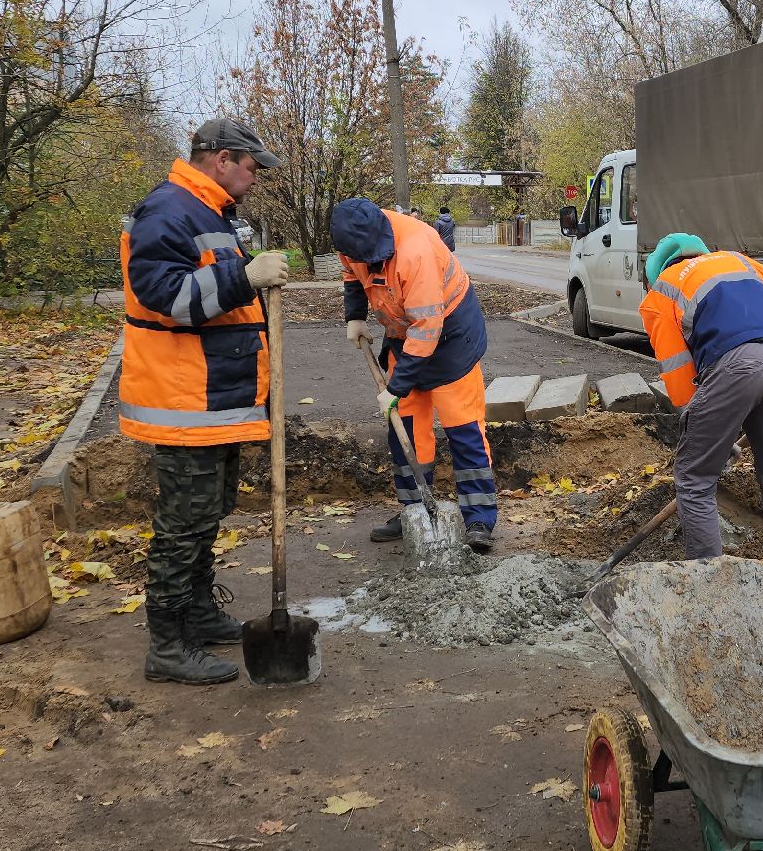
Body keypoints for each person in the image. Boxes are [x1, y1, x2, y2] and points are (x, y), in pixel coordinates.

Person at [119, 118, 292, 685]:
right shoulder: (167, 212)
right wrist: (247, 277)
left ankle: (194, 611)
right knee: (183, 525)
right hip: (185, 402)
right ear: (222, 159)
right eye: (252, 166)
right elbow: (168, 300)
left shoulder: (211, 212)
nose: (256, 178)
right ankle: (167, 644)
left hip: (217, 401)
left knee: (206, 516)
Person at [641, 234, 763, 567]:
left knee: (694, 479)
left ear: (656, 271)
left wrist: (704, 433)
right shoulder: (738, 261)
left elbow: (679, 374)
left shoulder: (662, 290)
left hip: (738, 365)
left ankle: (709, 582)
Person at [331, 198, 498, 552]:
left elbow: (427, 330)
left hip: (451, 338)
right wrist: (355, 316)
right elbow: (352, 276)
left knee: (463, 428)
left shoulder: (415, 251)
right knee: (404, 430)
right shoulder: (352, 243)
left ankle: (479, 518)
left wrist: (396, 387)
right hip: (403, 337)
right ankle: (414, 512)